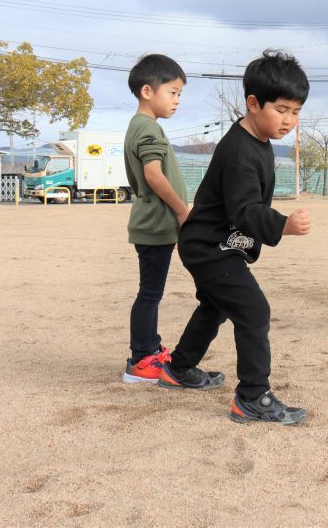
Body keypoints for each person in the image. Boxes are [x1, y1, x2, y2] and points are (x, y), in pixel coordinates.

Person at [159, 50, 312, 426]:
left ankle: (179, 368)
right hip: (210, 246)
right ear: (253, 103)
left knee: (215, 306)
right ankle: (252, 396)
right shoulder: (240, 151)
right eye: (281, 110)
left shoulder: (256, 141)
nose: (289, 120)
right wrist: (282, 225)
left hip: (212, 241)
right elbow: (245, 210)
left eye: (295, 111)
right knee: (254, 311)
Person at [121, 54, 190, 383]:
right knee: (150, 293)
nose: (177, 100)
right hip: (155, 222)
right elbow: (153, 175)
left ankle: (148, 349)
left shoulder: (143, 126)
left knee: (151, 291)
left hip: (153, 222)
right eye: (173, 92)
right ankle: (142, 359)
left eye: (179, 94)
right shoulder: (147, 127)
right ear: (147, 91)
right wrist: (181, 210)